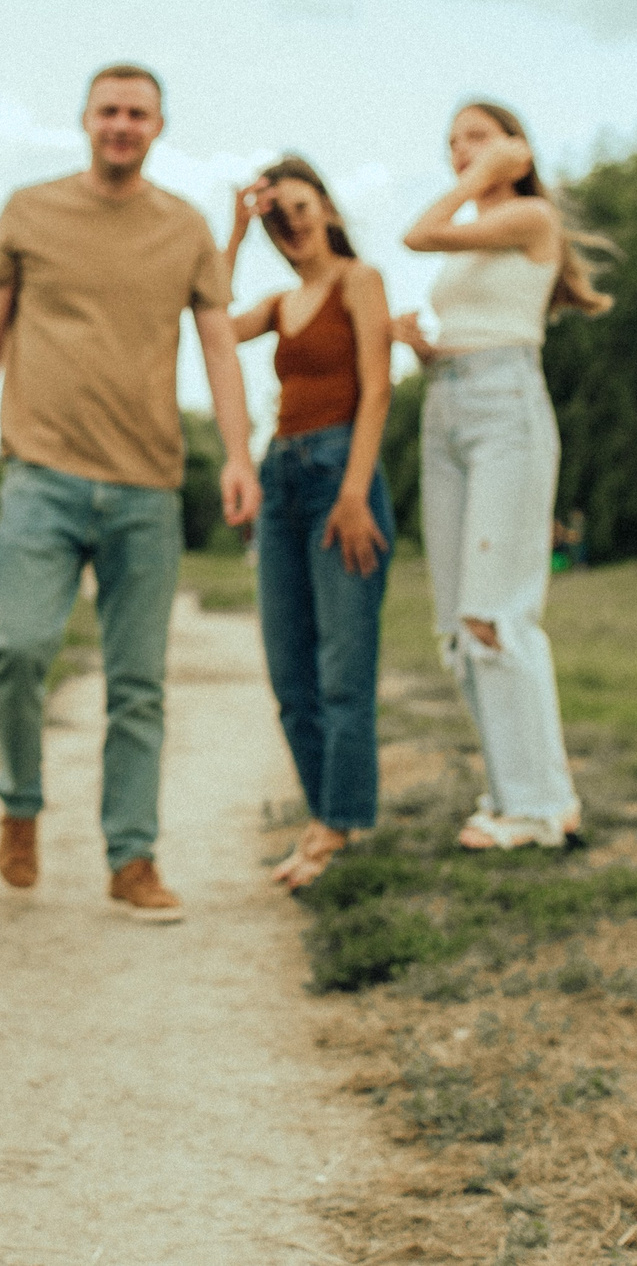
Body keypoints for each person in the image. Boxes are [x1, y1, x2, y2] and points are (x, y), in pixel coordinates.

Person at [0, 64, 260, 923]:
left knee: (138, 684)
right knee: (19, 648)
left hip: (148, 486)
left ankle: (132, 856)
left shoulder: (184, 228)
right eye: (109, 110)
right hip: (40, 476)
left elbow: (221, 346)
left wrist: (236, 453)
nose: (122, 124)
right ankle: (20, 802)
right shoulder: (30, 211)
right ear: (85, 119)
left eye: (138, 113)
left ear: (158, 126)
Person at [393, 101, 613, 851]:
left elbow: (416, 232)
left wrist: (485, 177)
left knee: (497, 612)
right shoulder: (479, 240)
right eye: (453, 141)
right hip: (447, 405)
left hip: (504, 408)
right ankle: (513, 791)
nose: (462, 151)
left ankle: (542, 807)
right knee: (458, 626)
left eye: (478, 137)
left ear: (517, 149)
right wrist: (423, 349)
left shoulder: (528, 218)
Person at [220, 156, 395, 889]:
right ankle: (329, 815)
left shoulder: (361, 281)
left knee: (342, 670)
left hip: (338, 479)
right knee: (291, 674)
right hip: (281, 479)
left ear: (325, 207)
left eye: (299, 206)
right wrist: (231, 234)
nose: (290, 223)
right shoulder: (281, 301)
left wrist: (355, 491)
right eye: (276, 217)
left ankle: (337, 822)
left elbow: (379, 386)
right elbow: (215, 328)